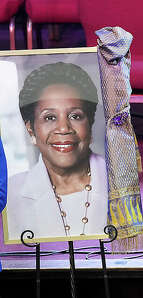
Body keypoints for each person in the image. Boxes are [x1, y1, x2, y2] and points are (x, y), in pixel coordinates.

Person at [6, 61, 107, 242]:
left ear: (90, 124)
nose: (63, 128)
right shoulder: (12, 192)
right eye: (50, 117)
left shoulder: (117, 183)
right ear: (31, 130)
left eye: (75, 116)